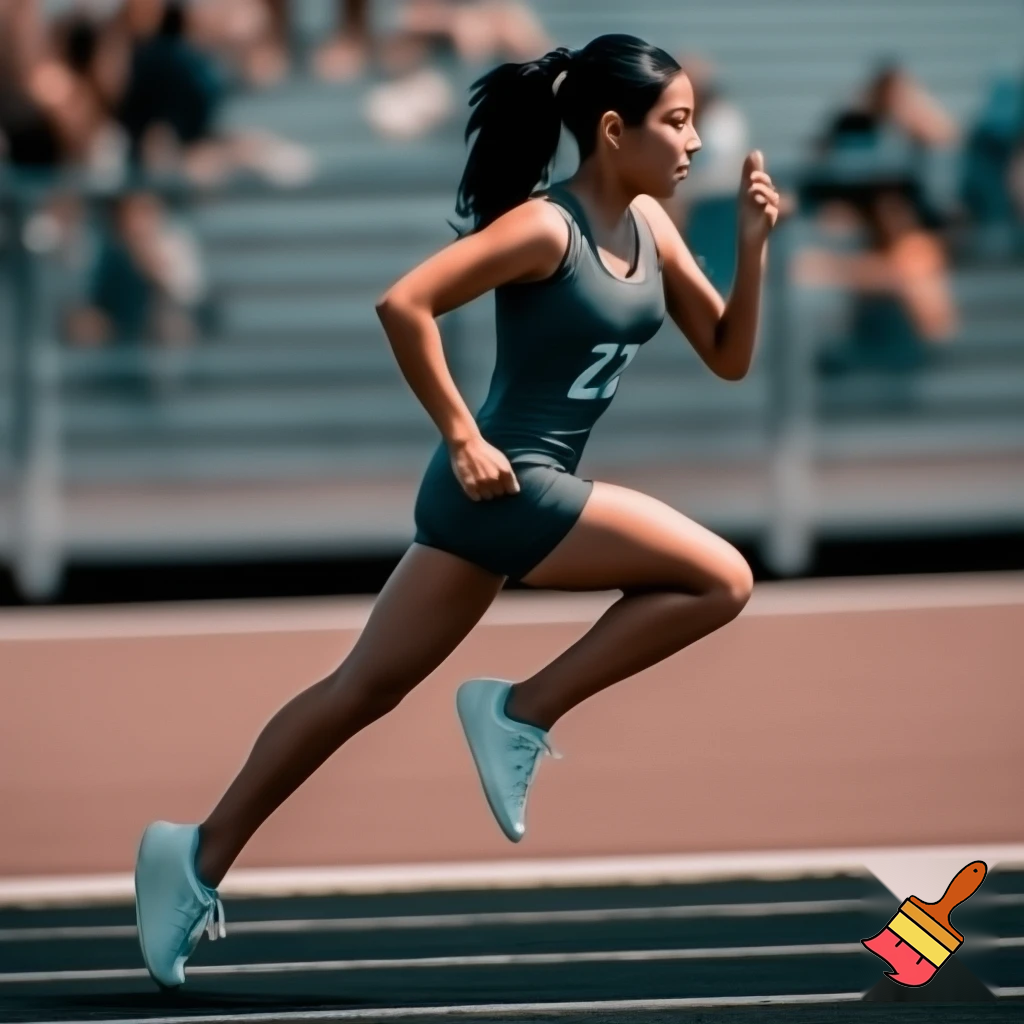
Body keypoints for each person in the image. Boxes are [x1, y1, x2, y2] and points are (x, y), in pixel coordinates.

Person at [133, 33, 780, 990]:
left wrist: (756, 254)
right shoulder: (544, 230)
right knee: (721, 577)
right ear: (612, 130)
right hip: (507, 481)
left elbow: (728, 356)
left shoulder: (652, 225)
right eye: (676, 122)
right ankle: (521, 708)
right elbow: (405, 304)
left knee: (358, 690)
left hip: (496, 503)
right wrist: (462, 434)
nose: (694, 142)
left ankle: (191, 854)